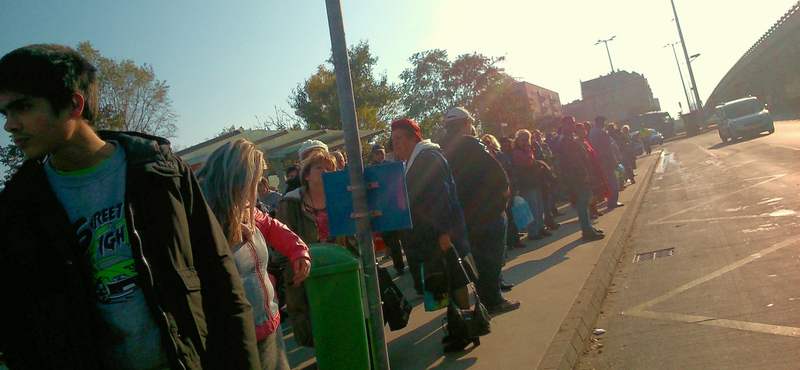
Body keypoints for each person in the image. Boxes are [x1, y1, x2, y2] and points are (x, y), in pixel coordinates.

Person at [0, 44, 260, 369]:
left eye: (22, 107)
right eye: (5, 114)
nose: (10, 125)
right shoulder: (17, 208)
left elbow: (221, 279)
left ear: (73, 104)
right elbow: (17, 327)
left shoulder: (161, 171)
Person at [197, 139, 312, 370]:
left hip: (269, 323)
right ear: (238, 179)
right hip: (236, 338)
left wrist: (298, 249)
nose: (258, 187)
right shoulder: (199, 220)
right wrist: (222, 235)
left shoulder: (247, 211)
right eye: (255, 179)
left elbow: (271, 226)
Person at [391, 118, 479, 352]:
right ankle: (458, 326)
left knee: (455, 279)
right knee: (446, 281)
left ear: (414, 137)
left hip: (441, 233)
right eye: (393, 140)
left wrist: (443, 232)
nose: (395, 143)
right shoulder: (414, 160)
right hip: (431, 234)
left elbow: (441, 197)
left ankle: (467, 330)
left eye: (400, 138)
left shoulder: (428, 158)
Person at [440, 107, 519, 317]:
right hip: (488, 213)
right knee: (491, 261)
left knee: (476, 261)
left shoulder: (441, 148)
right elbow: (498, 177)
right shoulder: (472, 144)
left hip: (462, 217)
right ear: (467, 122)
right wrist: (503, 201)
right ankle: (492, 301)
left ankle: (483, 301)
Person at [275, 150, 358, 347]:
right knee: (317, 328)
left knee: (344, 322)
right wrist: (293, 275)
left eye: (329, 169)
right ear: (306, 175)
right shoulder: (291, 203)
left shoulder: (339, 198)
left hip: (338, 268)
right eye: (319, 167)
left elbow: (351, 236)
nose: (325, 171)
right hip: (307, 272)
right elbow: (282, 242)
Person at [557, 116, 605, 241]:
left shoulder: (570, 137)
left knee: (585, 202)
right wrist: (584, 174)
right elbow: (573, 161)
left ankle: (588, 228)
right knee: (583, 204)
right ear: (563, 125)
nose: (571, 125)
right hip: (577, 177)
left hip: (579, 175)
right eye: (568, 123)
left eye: (573, 122)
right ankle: (587, 231)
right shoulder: (566, 140)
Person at [510, 129, 548, 239]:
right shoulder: (516, 152)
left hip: (534, 181)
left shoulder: (527, 150)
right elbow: (526, 163)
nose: (525, 142)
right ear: (518, 140)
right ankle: (533, 232)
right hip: (526, 183)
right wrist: (531, 158)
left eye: (527, 140)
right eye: (523, 140)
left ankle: (540, 227)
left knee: (539, 206)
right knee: (533, 208)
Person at [588, 116, 624, 210]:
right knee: (613, 182)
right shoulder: (602, 132)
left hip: (598, 161)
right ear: (600, 122)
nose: (604, 124)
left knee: (606, 182)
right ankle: (612, 202)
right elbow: (607, 148)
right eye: (603, 122)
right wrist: (614, 161)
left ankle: (610, 200)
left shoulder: (592, 132)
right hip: (606, 161)